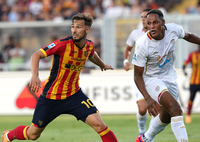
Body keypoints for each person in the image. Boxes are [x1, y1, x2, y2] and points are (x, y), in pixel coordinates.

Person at [1, 13, 118, 142]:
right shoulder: (62, 44)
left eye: (78, 27)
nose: (74, 30)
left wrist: (102, 65)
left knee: (99, 124)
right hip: (51, 97)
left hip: (74, 95)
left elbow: (91, 54)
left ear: (87, 29)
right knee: (33, 134)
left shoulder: (89, 45)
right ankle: (8, 135)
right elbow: (36, 54)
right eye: (73, 26)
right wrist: (35, 75)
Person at [132, 9, 200, 142]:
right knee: (176, 109)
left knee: (166, 117)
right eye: (149, 23)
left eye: (155, 23)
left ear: (163, 23)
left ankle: (145, 138)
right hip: (152, 79)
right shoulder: (142, 44)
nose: (151, 27)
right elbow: (137, 75)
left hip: (170, 77)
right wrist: (147, 98)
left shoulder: (173, 30)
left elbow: (188, 35)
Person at [124, 8, 155, 136]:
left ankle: (149, 137)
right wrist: (126, 60)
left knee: (156, 109)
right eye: (142, 17)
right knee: (142, 109)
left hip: (155, 75)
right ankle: (142, 132)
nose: (143, 19)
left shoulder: (159, 34)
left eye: (146, 17)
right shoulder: (135, 34)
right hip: (140, 75)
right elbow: (128, 48)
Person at [183, 45, 200, 124]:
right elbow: (184, 63)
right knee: (191, 98)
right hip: (193, 82)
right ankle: (188, 115)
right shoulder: (192, 55)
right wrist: (184, 70)